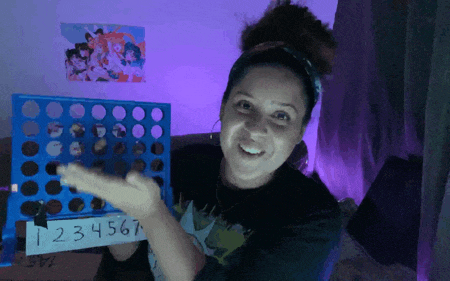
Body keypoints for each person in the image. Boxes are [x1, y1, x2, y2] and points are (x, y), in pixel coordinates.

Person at [57, 2, 341, 280]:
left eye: (280, 115)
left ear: (301, 130)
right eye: (245, 105)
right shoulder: (185, 164)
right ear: (223, 107)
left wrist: (152, 213)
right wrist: (111, 202)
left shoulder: (313, 218)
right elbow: (128, 261)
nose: (256, 128)